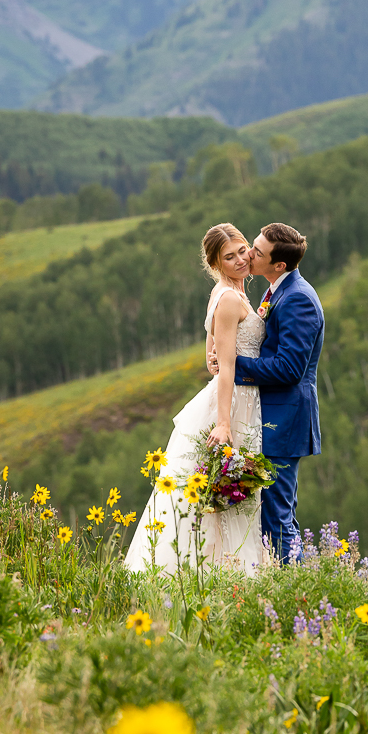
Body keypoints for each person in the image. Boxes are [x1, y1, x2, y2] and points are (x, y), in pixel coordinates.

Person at [125, 223, 266, 575]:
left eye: (242, 251)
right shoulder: (231, 297)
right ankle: (229, 572)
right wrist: (223, 423)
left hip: (236, 396)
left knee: (220, 495)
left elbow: (213, 343)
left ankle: (218, 569)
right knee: (228, 492)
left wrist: (210, 353)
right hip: (235, 401)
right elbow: (227, 368)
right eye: (228, 257)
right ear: (215, 264)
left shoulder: (225, 292)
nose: (240, 260)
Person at [232, 222, 324, 564]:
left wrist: (234, 362)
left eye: (257, 251)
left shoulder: (298, 298)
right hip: (273, 418)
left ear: (279, 265)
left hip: (285, 421)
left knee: (276, 518)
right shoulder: (278, 290)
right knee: (275, 512)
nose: (249, 254)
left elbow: (289, 369)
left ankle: (295, 596)